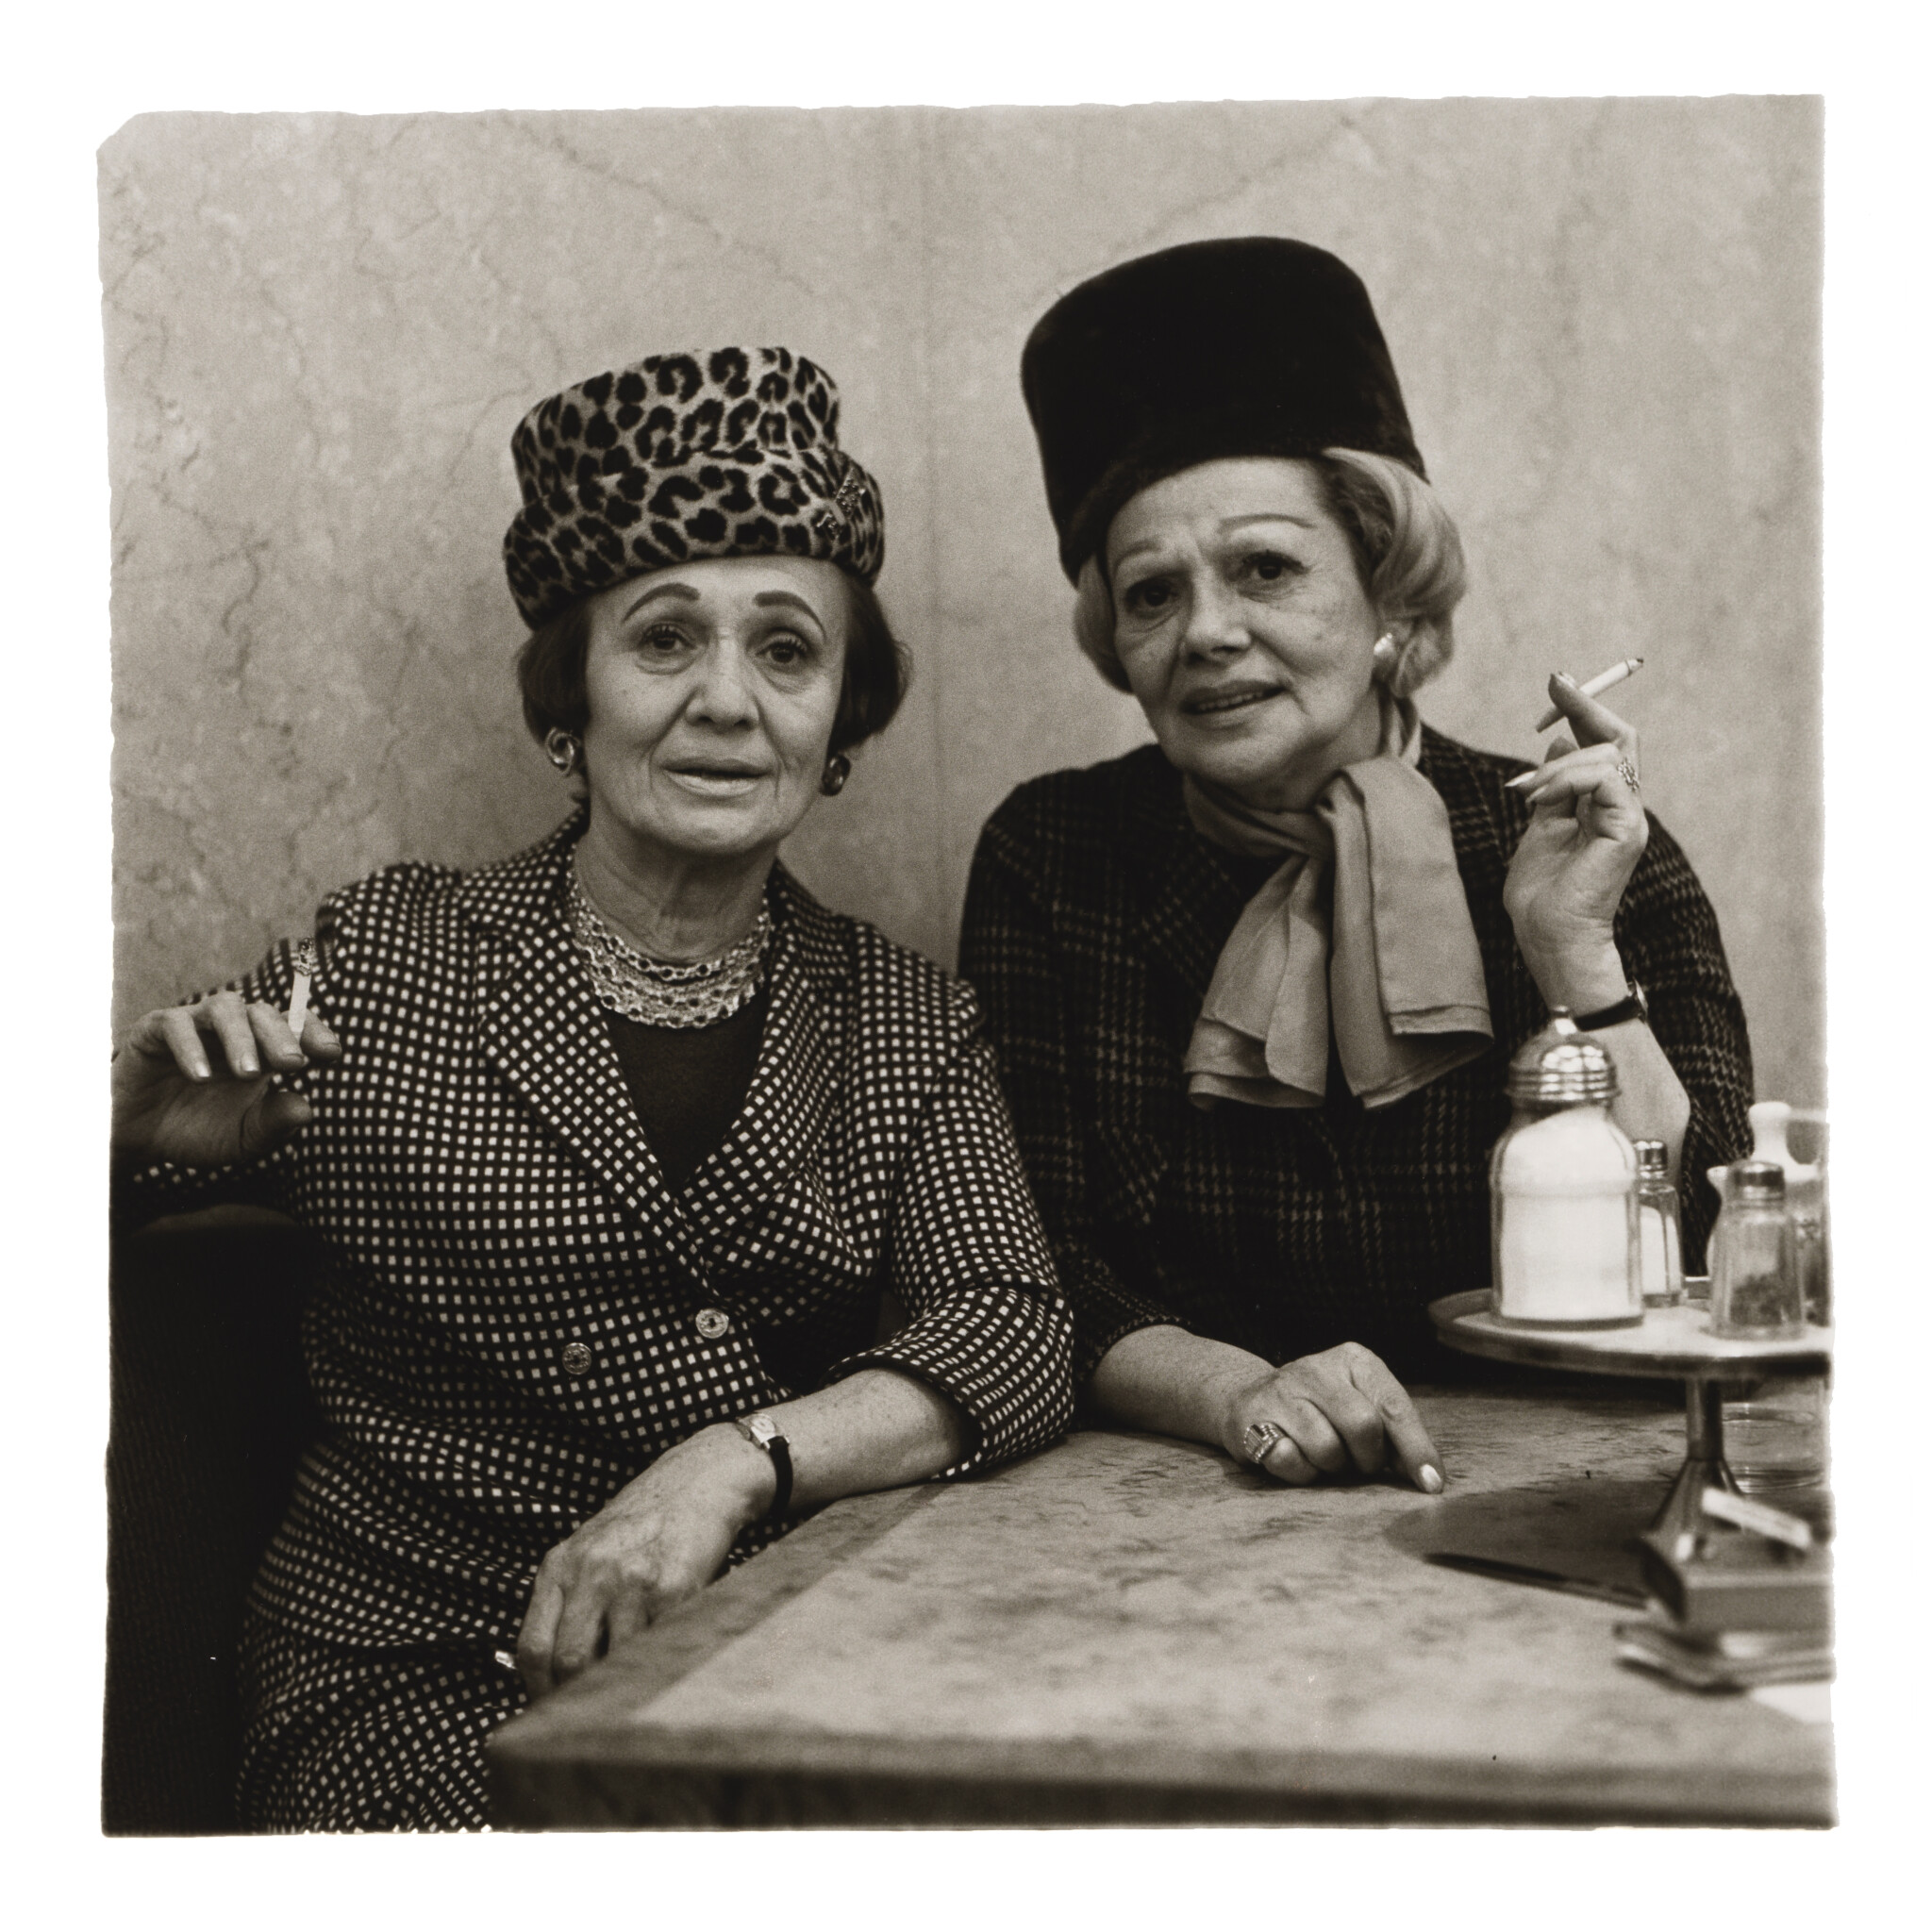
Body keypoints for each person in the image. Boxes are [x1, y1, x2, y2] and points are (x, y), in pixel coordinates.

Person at [112, 345, 1074, 1832]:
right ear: (571, 701)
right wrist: (118, 1138)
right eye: (665, 639)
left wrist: (730, 1467)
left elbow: (1010, 1327)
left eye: (787, 651)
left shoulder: (902, 1014)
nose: (727, 702)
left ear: (838, 726)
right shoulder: (386, 957)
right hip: (414, 1679)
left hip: (762, 1665)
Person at [959, 239, 1751, 1495]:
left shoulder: (1576, 843)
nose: (1207, 632)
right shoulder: (1056, 857)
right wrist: (1240, 1394)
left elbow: (1714, 1260)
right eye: (1152, 593)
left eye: (1266, 569)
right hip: (1188, 1491)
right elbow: (1029, 1267)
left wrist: (1572, 953)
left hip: (1557, 1481)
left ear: (1388, 595)